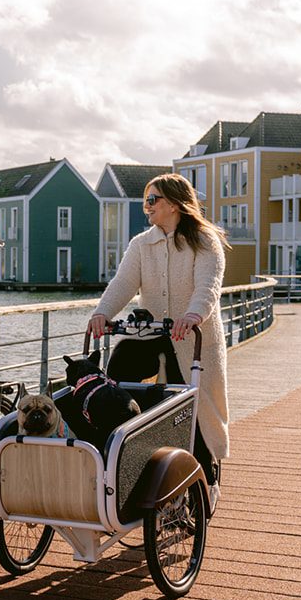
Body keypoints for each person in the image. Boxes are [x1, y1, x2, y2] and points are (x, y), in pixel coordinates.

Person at [88, 173, 230, 496]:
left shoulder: (204, 241)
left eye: (153, 200)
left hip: (193, 338)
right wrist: (102, 313)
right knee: (120, 366)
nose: (147, 206)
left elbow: (208, 285)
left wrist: (194, 314)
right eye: (145, 201)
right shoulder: (141, 244)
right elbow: (123, 283)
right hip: (151, 335)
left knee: (191, 406)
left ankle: (206, 479)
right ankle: (122, 448)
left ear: (175, 204)